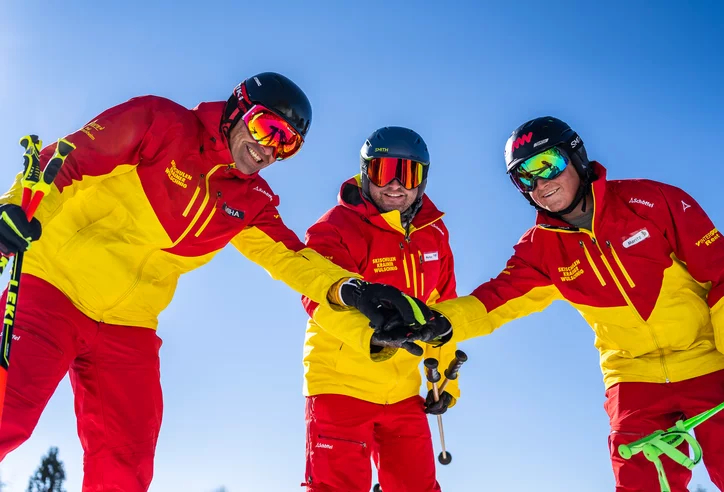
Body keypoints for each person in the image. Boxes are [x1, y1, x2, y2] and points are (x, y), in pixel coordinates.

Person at [0, 72, 428, 491]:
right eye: (267, 128)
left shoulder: (250, 200)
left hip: (128, 324)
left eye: (287, 144)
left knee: (125, 461)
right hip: (53, 286)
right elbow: (70, 158)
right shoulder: (161, 124)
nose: (268, 150)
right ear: (236, 108)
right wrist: (16, 207)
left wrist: (354, 291)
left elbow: (292, 258)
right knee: (7, 417)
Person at [396, 116, 724, 491]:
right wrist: (432, 322)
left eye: (547, 164)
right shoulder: (541, 250)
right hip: (632, 376)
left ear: (576, 156)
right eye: (524, 177)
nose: (539, 183)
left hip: (709, 360)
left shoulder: (653, 203)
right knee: (640, 481)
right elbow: (493, 303)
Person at [300, 127, 459, 492]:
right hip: (341, 385)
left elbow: (444, 311)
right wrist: (374, 336)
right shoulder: (336, 227)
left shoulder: (433, 234)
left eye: (409, 174)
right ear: (365, 172)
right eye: (384, 170)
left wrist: (448, 382)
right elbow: (316, 296)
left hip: (403, 391)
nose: (396, 185)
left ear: (423, 181)